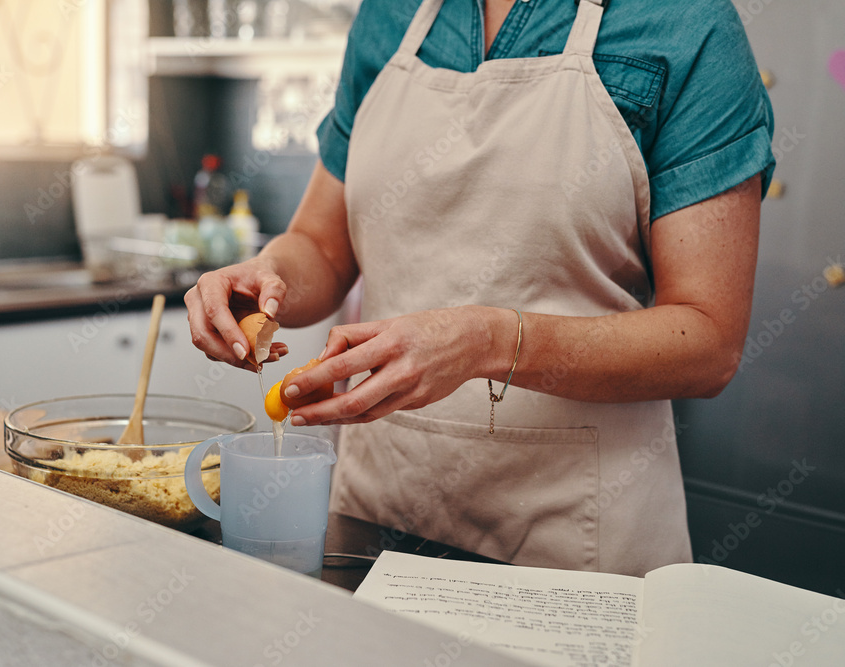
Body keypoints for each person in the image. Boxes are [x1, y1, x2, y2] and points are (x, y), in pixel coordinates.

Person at [185, 0, 776, 576]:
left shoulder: (686, 21)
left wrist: (490, 342)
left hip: (575, 541)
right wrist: (269, 277)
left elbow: (708, 340)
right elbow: (320, 243)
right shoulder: (389, 15)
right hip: (377, 525)